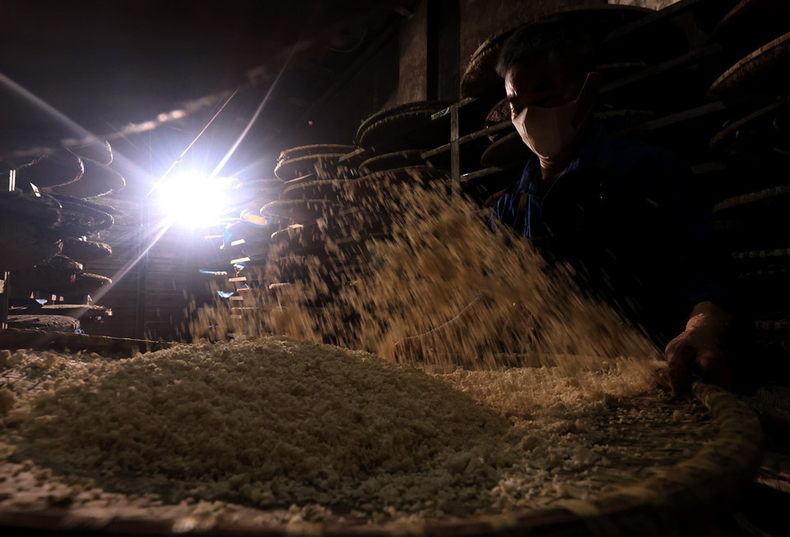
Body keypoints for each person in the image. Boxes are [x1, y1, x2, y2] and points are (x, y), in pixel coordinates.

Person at [487, 20, 741, 396]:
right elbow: (488, 298)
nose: (528, 116)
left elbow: (705, 276)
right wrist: (431, 338)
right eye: (516, 105)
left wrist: (698, 331)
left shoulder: (652, 174)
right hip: (546, 395)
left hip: (650, 385)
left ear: (588, 90)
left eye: (544, 97)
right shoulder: (510, 206)